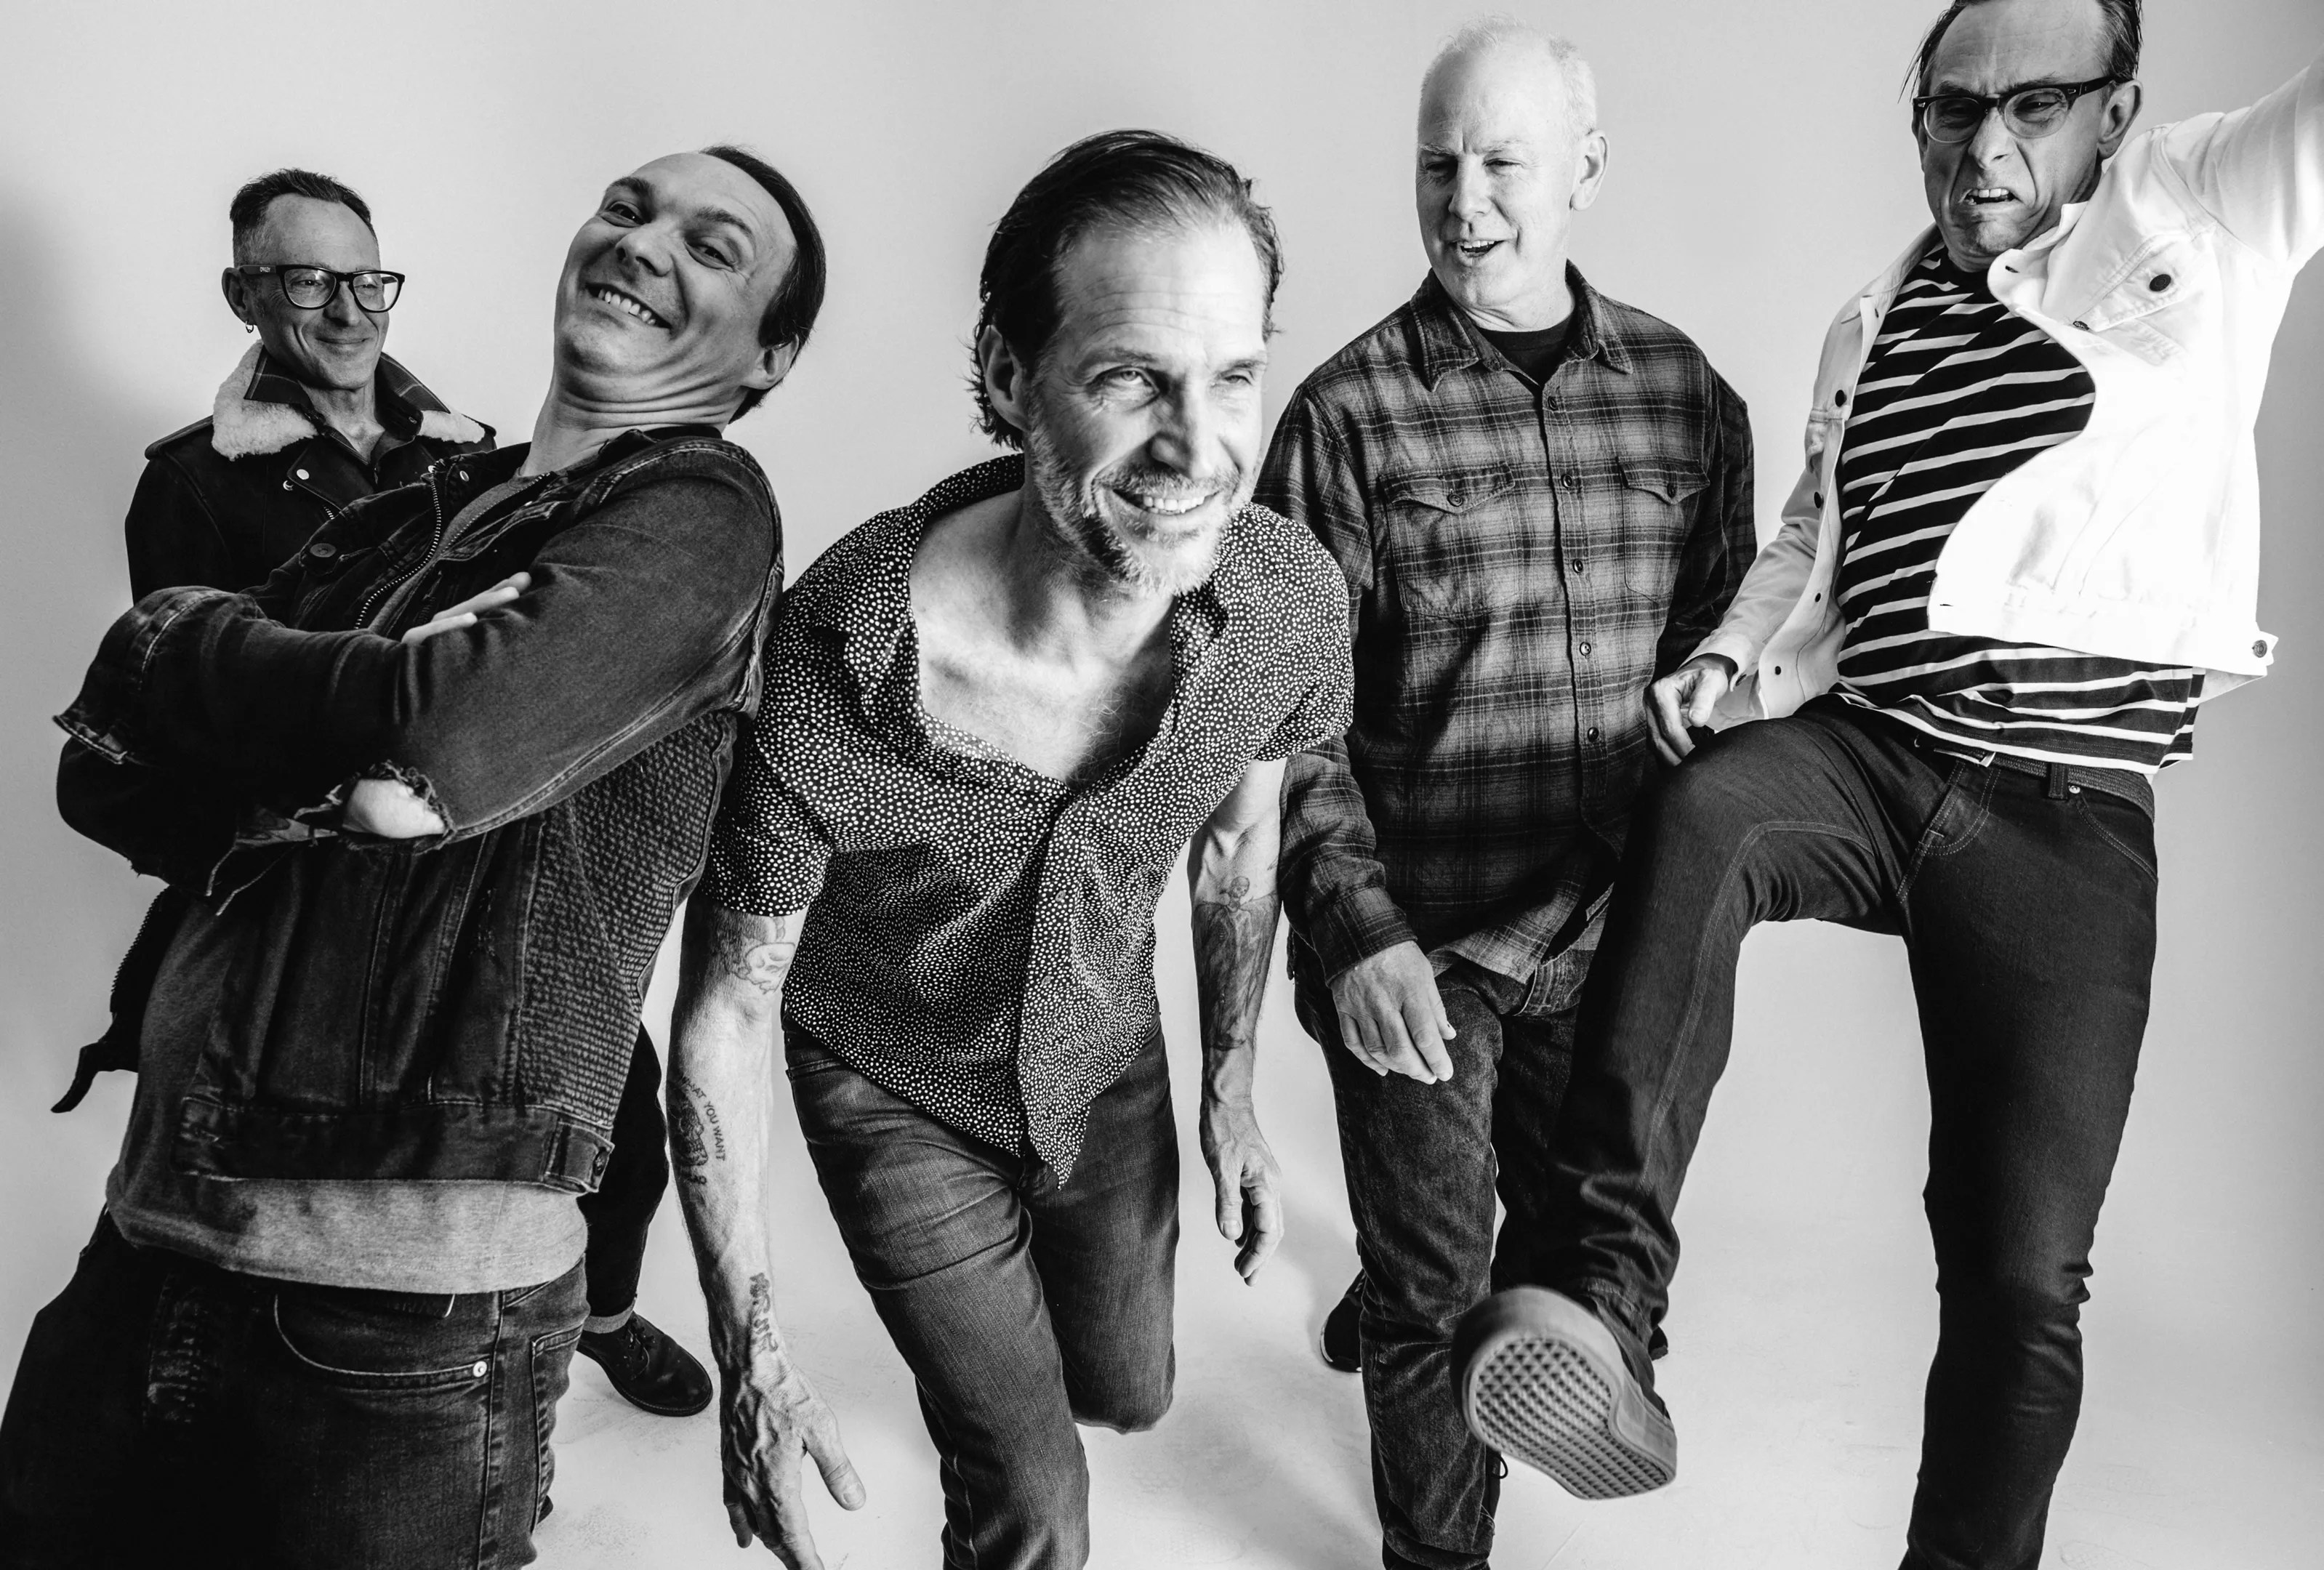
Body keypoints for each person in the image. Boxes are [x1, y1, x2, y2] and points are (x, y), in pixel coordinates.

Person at [1453, 4, 2324, 1567]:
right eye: (1952, 109)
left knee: (2018, 1272)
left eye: (2034, 107)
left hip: (2062, 816)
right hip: (1874, 751)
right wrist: (1729, 659)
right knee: (1704, 805)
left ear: (2117, 111)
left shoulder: (2201, 206)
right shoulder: (1879, 316)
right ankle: (1600, 1305)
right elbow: (1814, 531)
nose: (1984, 148)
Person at [0, 145, 826, 1569]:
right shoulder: (422, 508)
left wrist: (202, 654)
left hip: (402, 1317)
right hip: (155, 1226)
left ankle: (614, 1313)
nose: (642, 243)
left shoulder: (700, 515)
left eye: (713, 248)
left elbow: (433, 740)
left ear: (769, 356)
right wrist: (257, 700)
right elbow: (104, 766)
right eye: (627, 208)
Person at [667, 130, 1352, 1570]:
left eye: (1233, 377)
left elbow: (1238, 857)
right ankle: (991, 1409)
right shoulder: (840, 653)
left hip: (1102, 1050)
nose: (1198, 449)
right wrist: (754, 1359)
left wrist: (1231, 1091)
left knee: (1129, 1390)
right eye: (1130, 380)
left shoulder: (1287, 604)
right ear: (1005, 375)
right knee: (1035, 1495)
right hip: (892, 1076)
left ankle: (1017, 1374)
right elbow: (727, 1005)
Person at [80, 164, 709, 1420]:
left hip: (500, 870)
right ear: (244, 296)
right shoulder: (192, 484)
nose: (348, 309)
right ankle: (398, 1402)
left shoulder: (476, 456)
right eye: (306, 279)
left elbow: (539, 676)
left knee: (619, 1120)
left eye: (368, 278)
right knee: (331, 1159)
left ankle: (601, 1315)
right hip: (322, 887)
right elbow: (190, 711)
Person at [1258, 20, 1755, 1569]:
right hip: (1424, 937)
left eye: (1501, 164)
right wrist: (1354, 936)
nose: (1462, 203)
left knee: (1546, 1266)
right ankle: (1438, 1555)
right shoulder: (1343, 417)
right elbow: (1282, 720)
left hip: (1607, 928)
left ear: (1584, 170)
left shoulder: (1685, 399)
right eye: (1436, 165)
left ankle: (1426, 1254)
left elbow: (1728, 647)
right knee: (1433, 1301)